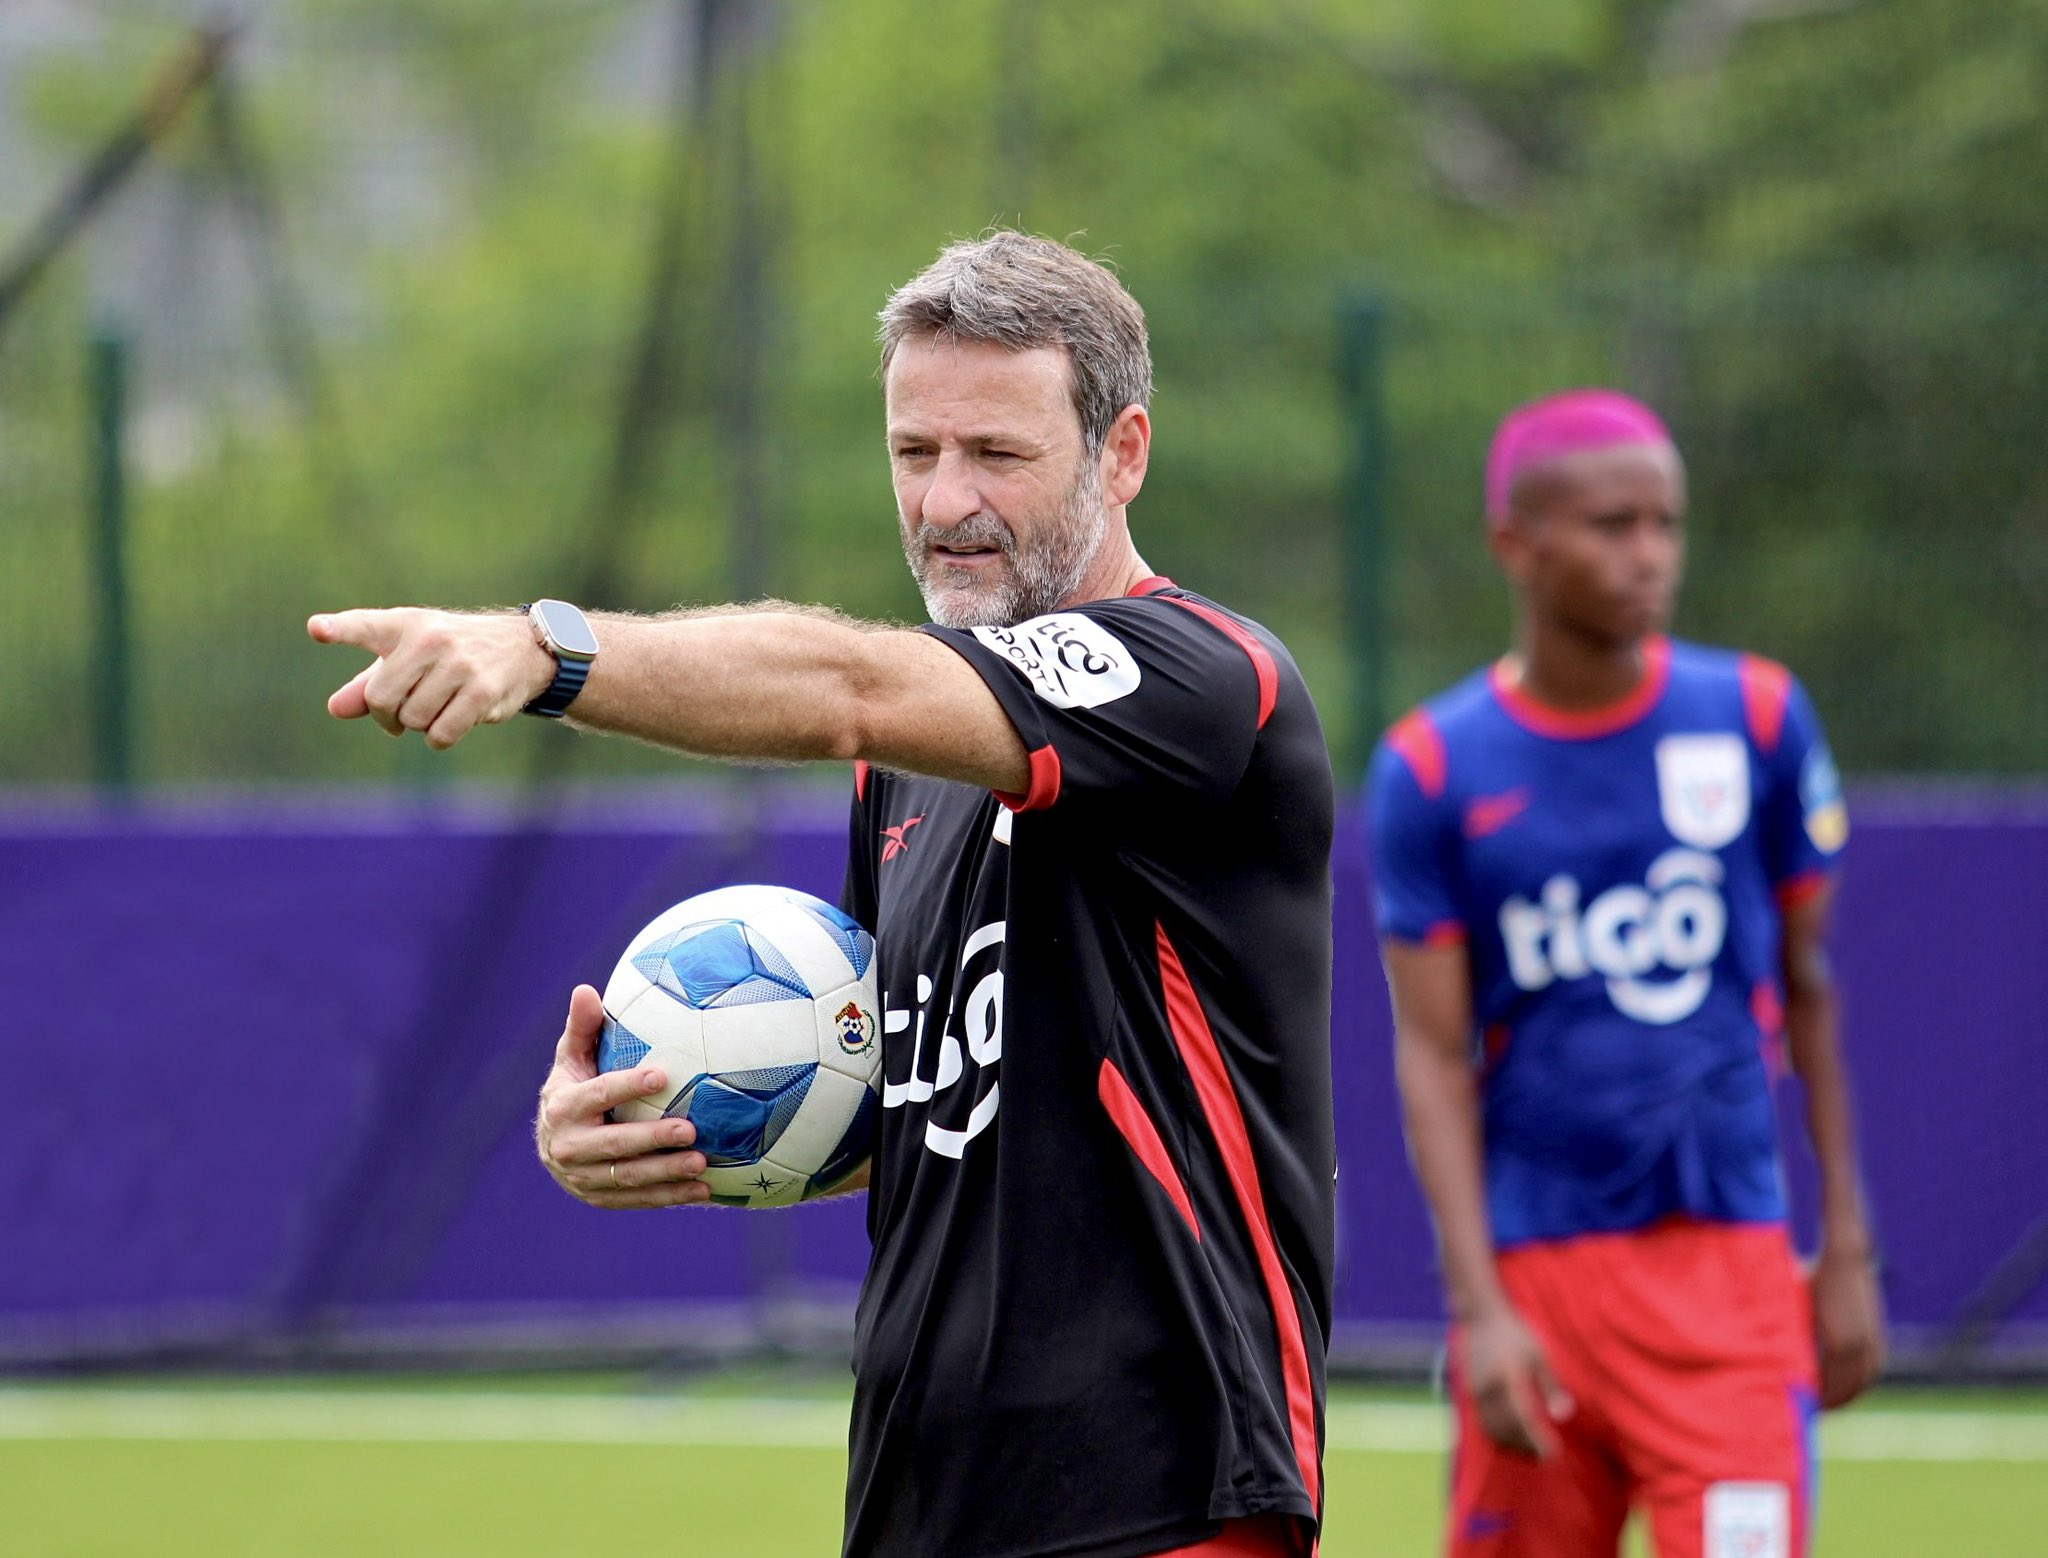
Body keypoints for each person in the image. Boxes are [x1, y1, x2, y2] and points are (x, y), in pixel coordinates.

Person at [310, 232, 1335, 1558]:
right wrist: (650, 1116)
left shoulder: (1204, 679)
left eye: (998, 454)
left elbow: (852, 679)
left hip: (1161, 1488)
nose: (946, 499)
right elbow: (911, 1107)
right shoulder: (902, 774)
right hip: (924, 1489)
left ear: (1121, 452)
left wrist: (544, 646)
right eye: (916, 452)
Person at [1364, 389, 1885, 1558]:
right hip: (1537, 1284)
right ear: (1516, 542)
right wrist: (1478, 1311)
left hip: (1731, 1281)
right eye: (1611, 525)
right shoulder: (1432, 766)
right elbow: (1432, 1056)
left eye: (1664, 523)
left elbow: (1806, 986)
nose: (1647, 554)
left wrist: (1842, 1245)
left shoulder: (1754, 716)